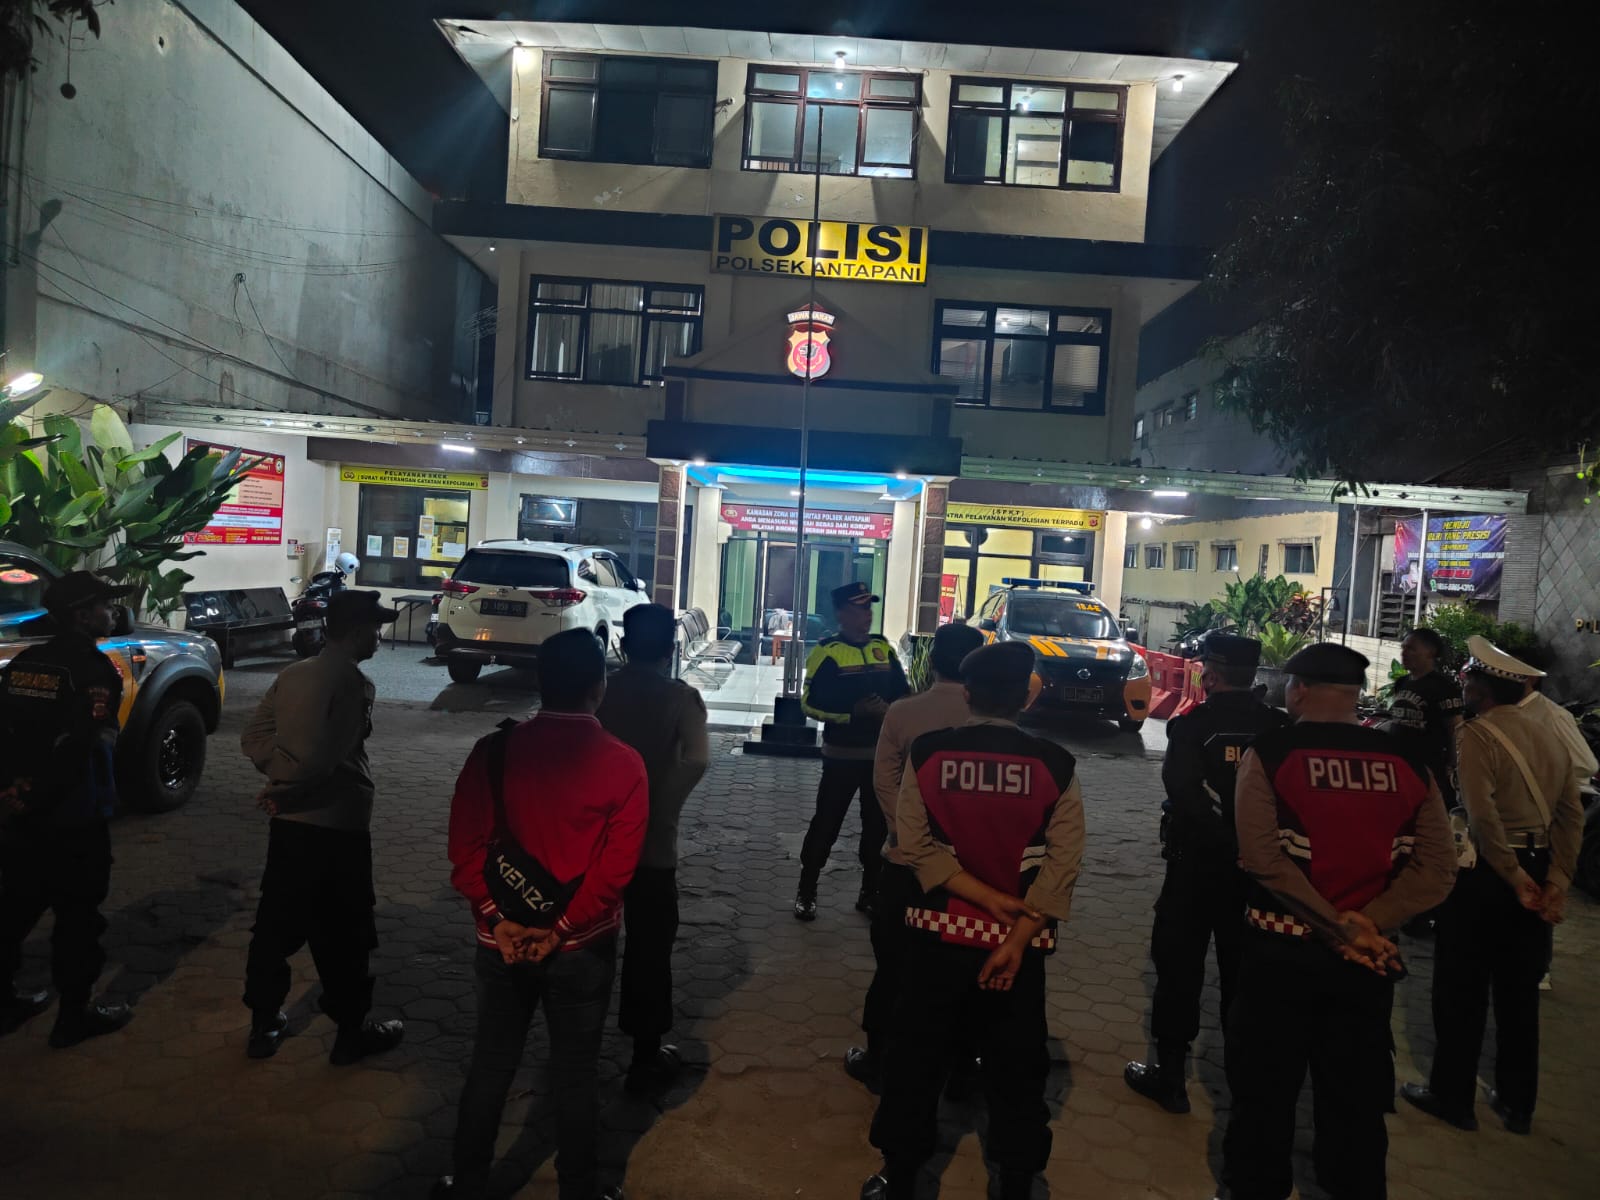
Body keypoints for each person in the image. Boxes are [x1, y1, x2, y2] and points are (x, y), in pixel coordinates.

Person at [1220, 643, 1456, 1200]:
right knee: (1355, 1097)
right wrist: (1367, 925)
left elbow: (1262, 858)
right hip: (1367, 962)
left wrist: (1335, 926)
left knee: (1263, 1092)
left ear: (1300, 689)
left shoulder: (1271, 753)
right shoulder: (1407, 762)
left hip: (1279, 953)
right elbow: (1437, 871)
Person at [864, 641, 1085, 1200]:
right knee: (1018, 1066)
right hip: (1016, 950)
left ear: (967, 694)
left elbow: (914, 846)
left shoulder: (930, 754)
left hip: (935, 936)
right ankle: (1016, 1180)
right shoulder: (1056, 764)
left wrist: (979, 896)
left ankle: (901, 1175)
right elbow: (1062, 865)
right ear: (1026, 699)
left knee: (916, 1057)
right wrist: (1017, 937)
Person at [439, 628, 645, 1200]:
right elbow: (615, 872)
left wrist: (496, 917)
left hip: (500, 941)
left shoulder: (492, 752)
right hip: (580, 947)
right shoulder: (624, 764)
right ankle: (579, 1188)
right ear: (599, 686)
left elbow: (464, 848)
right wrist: (561, 929)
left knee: (491, 1062)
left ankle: (468, 1184)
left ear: (540, 681)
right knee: (576, 1071)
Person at [1399, 646, 1583, 1136]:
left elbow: (1481, 817)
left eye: (1468, 681)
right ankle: (1518, 1104)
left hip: (1487, 874)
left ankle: (1452, 1097)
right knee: (1519, 992)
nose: (1464, 687)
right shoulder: (1551, 734)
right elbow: (1571, 815)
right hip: (1538, 865)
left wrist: (1514, 877)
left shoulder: (1475, 734)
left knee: (1461, 987)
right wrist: (1556, 881)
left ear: (1481, 689)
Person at [1124, 634, 1291, 1113]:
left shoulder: (1194, 725)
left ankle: (1171, 1077)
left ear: (1212, 675)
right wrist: (1250, 850)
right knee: (1246, 974)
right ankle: (1245, 1087)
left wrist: (1225, 842)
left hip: (1196, 868)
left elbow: (1184, 793)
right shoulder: (1278, 727)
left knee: (1179, 968)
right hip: (1259, 874)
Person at [239, 589, 405, 1064]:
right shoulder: (353, 684)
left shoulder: (292, 674)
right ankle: (351, 1033)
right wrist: (291, 789)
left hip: (291, 827)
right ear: (356, 632)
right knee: (346, 932)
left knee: (275, 926)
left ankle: (263, 1024)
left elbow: (254, 736)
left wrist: (281, 781)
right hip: (336, 824)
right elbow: (325, 759)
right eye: (375, 629)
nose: (379, 637)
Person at [845, 621, 984, 1093]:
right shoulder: (990, 719)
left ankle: (879, 1059)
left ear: (934, 661)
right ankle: (961, 1068)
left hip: (906, 864)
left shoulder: (904, 712)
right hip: (971, 870)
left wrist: (905, 831)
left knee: (894, 963)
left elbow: (884, 779)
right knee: (965, 965)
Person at [0, 571, 135, 1048]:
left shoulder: (25, 663)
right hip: (73, 815)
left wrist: (14, 791)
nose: (111, 613)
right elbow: (80, 747)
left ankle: (6, 1003)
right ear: (81, 615)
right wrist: (40, 794)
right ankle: (73, 1017)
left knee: (15, 909)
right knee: (78, 919)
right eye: (103, 606)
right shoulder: (93, 671)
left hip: (21, 814)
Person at [596, 603, 709, 1095]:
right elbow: (697, 760)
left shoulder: (599, 690)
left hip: (594, 842)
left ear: (623, 645)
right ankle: (645, 1056)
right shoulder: (682, 699)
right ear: (670, 650)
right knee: (649, 945)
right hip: (652, 845)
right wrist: (662, 805)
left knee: (589, 940)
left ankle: (577, 1039)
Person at [794, 581, 909, 921]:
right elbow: (809, 703)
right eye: (859, 609)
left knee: (876, 829)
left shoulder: (882, 648)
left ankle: (869, 892)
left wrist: (892, 710)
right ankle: (806, 889)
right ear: (842, 614)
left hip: (880, 759)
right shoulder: (827, 652)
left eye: (869, 608)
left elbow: (903, 693)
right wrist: (852, 713)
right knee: (826, 824)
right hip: (841, 758)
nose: (867, 615)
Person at [1385, 627, 1464, 805]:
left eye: (1411, 648)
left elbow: (1456, 729)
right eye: (1403, 648)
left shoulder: (1444, 687)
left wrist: (1453, 767)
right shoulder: (1402, 683)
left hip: (1428, 770)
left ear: (1431, 652)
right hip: (1399, 767)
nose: (1404, 653)